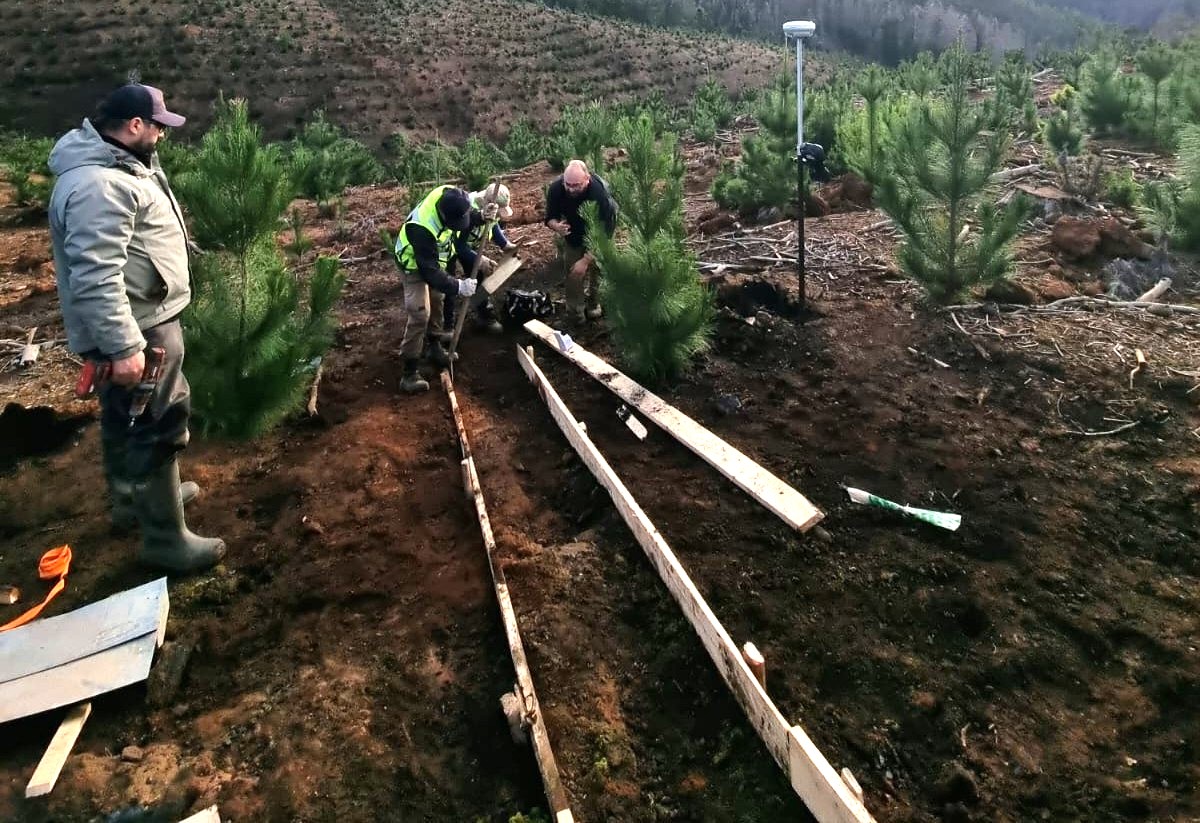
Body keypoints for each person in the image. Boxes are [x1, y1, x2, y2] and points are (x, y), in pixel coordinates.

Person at [47, 83, 225, 574]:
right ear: (134, 126)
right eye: (158, 127)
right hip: (141, 326)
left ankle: (135, 499)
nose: (162, 136)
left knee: (124, 414)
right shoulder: (101, 185)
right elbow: (96, 274)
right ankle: (166, 540)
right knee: (159, 423)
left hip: (138, 317)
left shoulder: (116, 167)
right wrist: (124, 346)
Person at [393, 184, 482, 393]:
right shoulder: (422, 228)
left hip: (435, 262)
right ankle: (409, 373)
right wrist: (459, 286)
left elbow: (467, 212)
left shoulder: (452, 194)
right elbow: (429, 272)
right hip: (413, 265)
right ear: (443, 214)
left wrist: (481, 215)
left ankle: (434, 346)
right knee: (419, 313)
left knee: (437, 300)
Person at [544, 159, 617, 321]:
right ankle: (576, 311)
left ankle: (594, 303)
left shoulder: (600, 195)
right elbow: (550, 217)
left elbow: (605, 234)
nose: (571, 189)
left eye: (576, 185)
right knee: (573, 273)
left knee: (597, 270)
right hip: (574, 233)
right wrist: (557, 226)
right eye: (567, 184)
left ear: (587, 179)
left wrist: (585, 260)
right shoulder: (556, 188)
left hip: (600, 233)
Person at [443, 185, 518, 335]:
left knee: (477, 278)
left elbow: (493, 225)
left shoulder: (491, 209)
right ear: (487, 202)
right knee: (448, 284)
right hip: (451, 246)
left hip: (468, 245)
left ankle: (485, 316)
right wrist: (481, 260)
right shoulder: (467, 210)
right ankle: (447, 327)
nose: (498, 215)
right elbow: (459, 246)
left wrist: (505, 244)